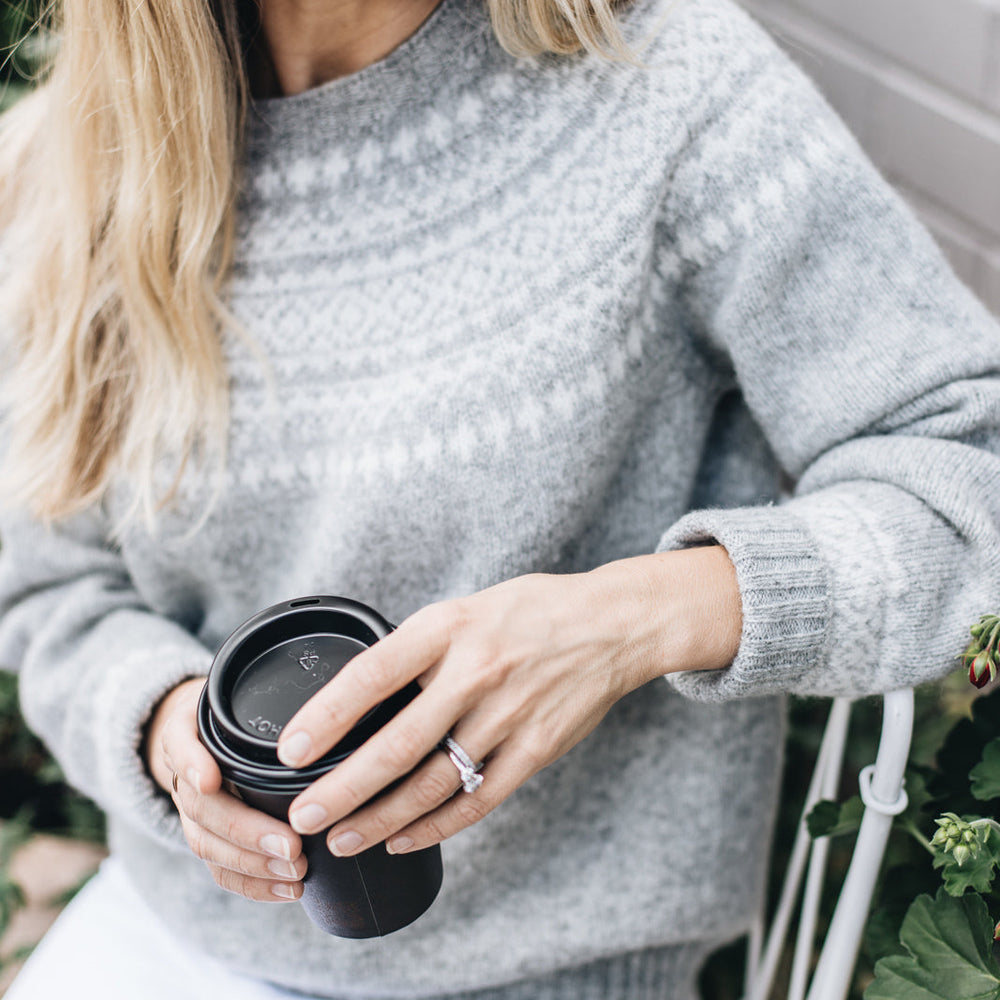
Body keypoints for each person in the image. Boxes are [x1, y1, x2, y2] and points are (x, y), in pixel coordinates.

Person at [1, 0, 999, 995]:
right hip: (183, 939)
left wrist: (630, 620)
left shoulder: (664, 85)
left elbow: (970, 478)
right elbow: (51, 591)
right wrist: (166, 729)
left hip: (555, 971)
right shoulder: (86, 154)